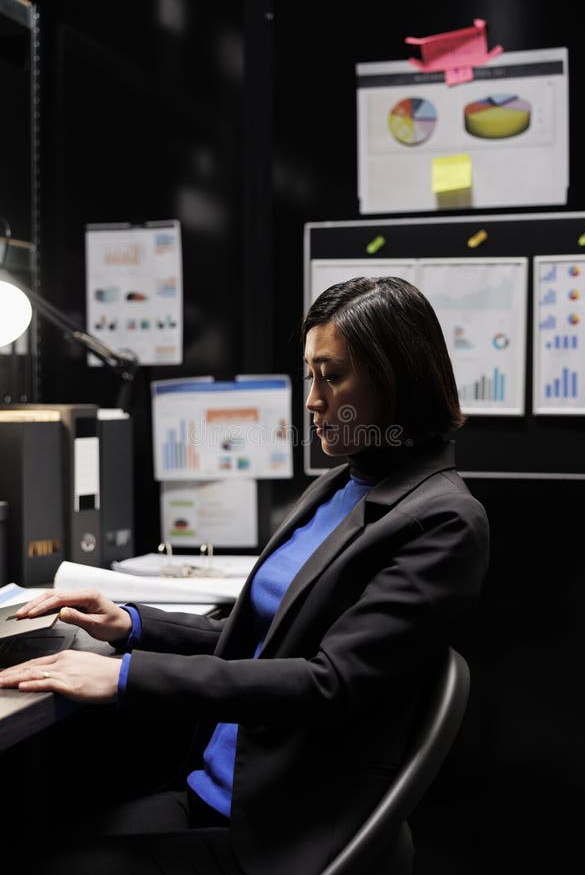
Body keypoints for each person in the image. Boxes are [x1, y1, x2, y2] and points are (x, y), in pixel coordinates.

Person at [0, 276, 490, 875]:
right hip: (214, 795)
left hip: (277, 830)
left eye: (331, 376)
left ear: (396, 379)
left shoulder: (444, 520)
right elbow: (262, 638)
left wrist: (126, 678)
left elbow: (328, 684)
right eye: (311, 375)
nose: (312, 399)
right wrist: (129, 624)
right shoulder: (340, 484)